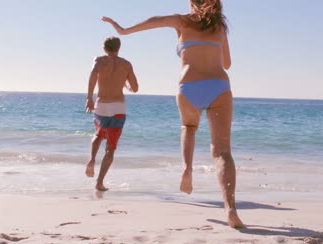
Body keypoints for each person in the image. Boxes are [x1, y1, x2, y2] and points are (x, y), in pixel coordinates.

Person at [102, 0, 244, 228]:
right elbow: (226, 63)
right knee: (222, 152)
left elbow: (154, 21)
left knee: (189, 128)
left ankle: (187, 169)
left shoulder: (182, 20)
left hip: (189, 86)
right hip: (219, 86)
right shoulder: (219, 27)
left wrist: (123, 31)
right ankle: (231, 209)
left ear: (192, 3)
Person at [85, 36, 139, 192]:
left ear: (104, 48)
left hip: (101, 105)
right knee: (111, 148)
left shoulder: (99, 61)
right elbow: (135, 88)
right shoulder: (126, 64)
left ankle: (92, 160)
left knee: (98, 134)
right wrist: (125, 84)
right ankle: (99, 182)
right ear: (119, 48)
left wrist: (89, 98)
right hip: (118, 107)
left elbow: (92, 76)